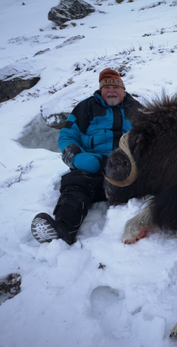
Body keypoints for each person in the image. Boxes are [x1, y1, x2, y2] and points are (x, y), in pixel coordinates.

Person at [31, 68, 142, 245]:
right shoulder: (86, 108)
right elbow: (67, 135)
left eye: (115, 86)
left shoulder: (138, 110)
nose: (111, 90)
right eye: (106, 87)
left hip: (129, 170)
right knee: (76, 183)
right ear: (100, 90)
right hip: (95, 167)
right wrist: (75, 157)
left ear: (123, 89)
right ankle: (63, 229)